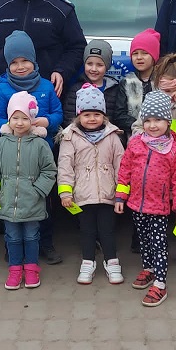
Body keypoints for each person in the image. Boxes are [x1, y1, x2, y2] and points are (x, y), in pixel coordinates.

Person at [0, 29, 64, 265]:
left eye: (25, 61)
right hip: (12, 156)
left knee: (44, 201)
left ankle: (45, 243)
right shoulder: (2, 89)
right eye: (14, 62)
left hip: (40, 155)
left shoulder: (46, 87)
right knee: (11, 200)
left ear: (33, 60)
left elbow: (58, 113)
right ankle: (12, 245)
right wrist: (8, 127)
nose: (20, 67)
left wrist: (47, 122)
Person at [115, 91, 176, 308]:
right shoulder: (135, 143)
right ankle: (149, 269)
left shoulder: (173, 149)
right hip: (136, 204)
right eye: (147, 120)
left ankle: (160, 283)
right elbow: (125, 170)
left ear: (168, 122)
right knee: (144, 240)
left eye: (158, 120)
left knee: (158, 243)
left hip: (159, 206)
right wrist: (120, 196)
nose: (152, 125)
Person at [132, 53, 176, 268]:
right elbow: (138, 127)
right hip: (156, 169)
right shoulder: (152, 103)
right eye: (167, 89)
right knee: (157, 207)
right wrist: (142, 139)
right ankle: (156, 245)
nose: (172, 93)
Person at [0, 91, 57, 291]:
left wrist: (37, 191)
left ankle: (32, 268)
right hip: (7, 201)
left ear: (32, 120)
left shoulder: (40, 145)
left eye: (25, 118)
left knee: (32, 236)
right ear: (9, 119)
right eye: (15, 118)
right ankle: (15, 269)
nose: (19, 123)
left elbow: (49, 170)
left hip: (33, 202)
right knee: (12, 237)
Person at [57, 84, 125, 285]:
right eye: (87, 115)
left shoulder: (113, 136)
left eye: (97, 114)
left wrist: (121, 194)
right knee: (87, 231)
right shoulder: (70, 137)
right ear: (79, 116)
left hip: (108, 194)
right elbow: (65, 166)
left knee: (107, 230)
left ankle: (112, 261)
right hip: (82, 195)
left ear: (104, 116)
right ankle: (88, 262)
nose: (92, 118)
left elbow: (122, 165)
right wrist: (65, 193)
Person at [113, 28, 159, 139]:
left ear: (154, 56)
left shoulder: (162, 82)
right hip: (134, 137)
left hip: (160, 136)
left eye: (145, 53)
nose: (139, 57)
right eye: (135, 53)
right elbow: (119, 115)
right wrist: (141, 125)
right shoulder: (127, 82)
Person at [61, 39, 119, 127]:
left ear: (107, 66)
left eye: (99, 65)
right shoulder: (76, 89)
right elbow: (69, 118)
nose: (93, 69)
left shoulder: (115, 89)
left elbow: (118, 118)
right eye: (89, 64)